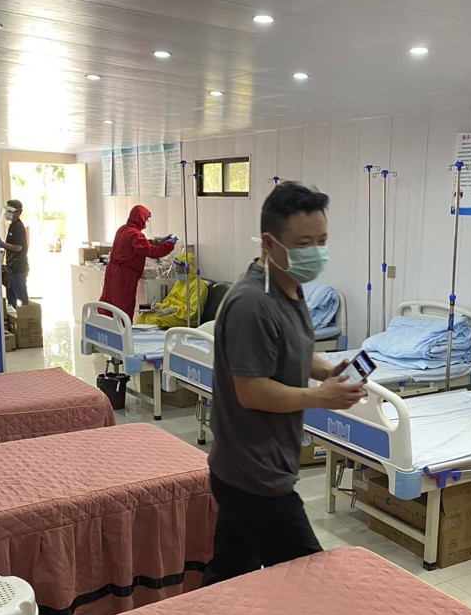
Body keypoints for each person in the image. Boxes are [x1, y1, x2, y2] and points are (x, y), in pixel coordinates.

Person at [202, 181, 365, 587]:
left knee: (230, 572)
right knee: (311, 580)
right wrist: (320, 397)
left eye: (322, 240)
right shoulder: (251, 303)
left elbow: (289, 348)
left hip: (250, 466)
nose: (315, 251)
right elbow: (252, 390)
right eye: (304, 242)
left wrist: (325, 371)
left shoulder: (288, 288)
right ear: (270, 244)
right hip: (254, 474)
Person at [99, 205, 176, 321]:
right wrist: (169, 245)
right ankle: (124, 334)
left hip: (113, 272)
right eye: (146, 219)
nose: (146, 222)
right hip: (124, 276)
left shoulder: (123, 229)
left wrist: (155, 241)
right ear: (140, 218)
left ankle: (107, 330)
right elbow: (150, 251)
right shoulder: (134, 234)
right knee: (123, 305)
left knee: (109, 303)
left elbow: (141, 245)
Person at [135, 251, 208, 328]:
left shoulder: (198, 286)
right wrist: (158, 306)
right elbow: (169, 300)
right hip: (172, 313)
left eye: (179, 270)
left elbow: (194, 311)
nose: (176, 271)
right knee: (143, 316)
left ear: (186, 269)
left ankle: (154, 339)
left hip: (186, 318)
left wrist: (173, 310)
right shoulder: (180, 282)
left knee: (154, 319)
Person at [0, 200, 29, 307]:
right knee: (11, 300)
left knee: (22, 299)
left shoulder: (18, 227)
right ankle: (14, 321)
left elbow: (18, 247)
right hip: (11, 270)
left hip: (18, 270)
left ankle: (27, 320)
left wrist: (2, 244)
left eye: (10, 211)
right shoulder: (12, 226)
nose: (7, 213)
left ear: (18, 212)